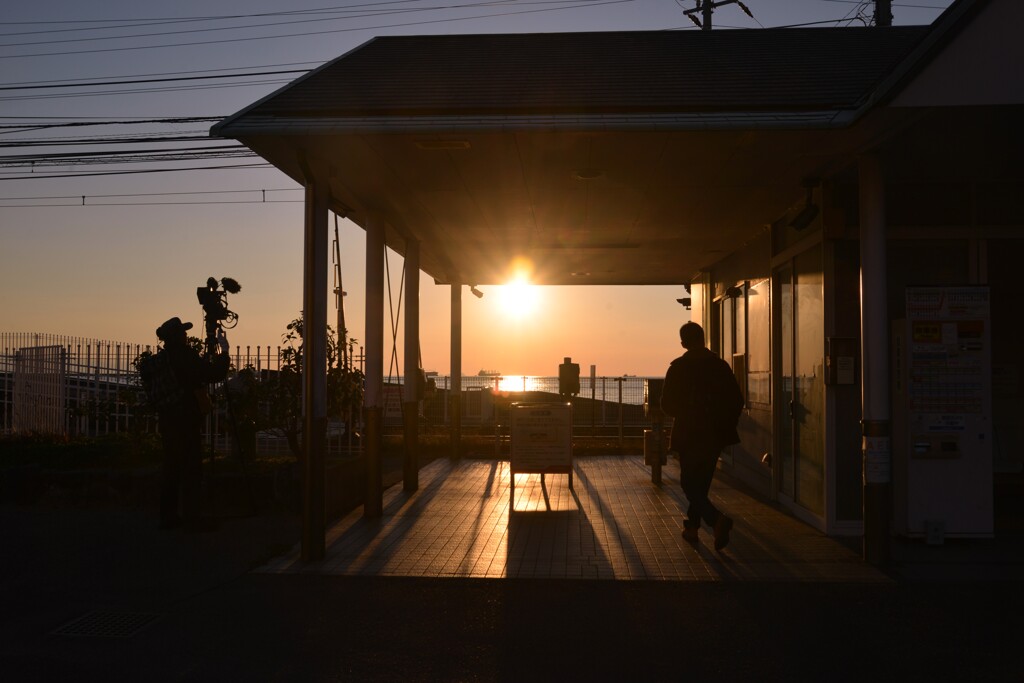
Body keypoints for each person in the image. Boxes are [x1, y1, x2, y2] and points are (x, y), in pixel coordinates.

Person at [139, 317, 229, 532]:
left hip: (168, 418)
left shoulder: (164, 359)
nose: (187, 336)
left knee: (171, 467)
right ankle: (192, 518)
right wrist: (224, 353)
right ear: (178, 337)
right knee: (191, 468)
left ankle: (168, 517)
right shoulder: (184, 357)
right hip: (186, 418)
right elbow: (212, 374)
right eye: (183, 333)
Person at [661, 321, 744, 550]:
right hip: (715, 435)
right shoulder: (720, 366)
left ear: (683, 343)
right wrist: (725, 422)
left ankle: (716, 520)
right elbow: (737, 400)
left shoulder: (678, 367)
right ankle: (691, 529)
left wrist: (687, 414)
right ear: (703, 338)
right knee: (701, 484)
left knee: (689, 484)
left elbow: (666, 404)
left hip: (689, 435)